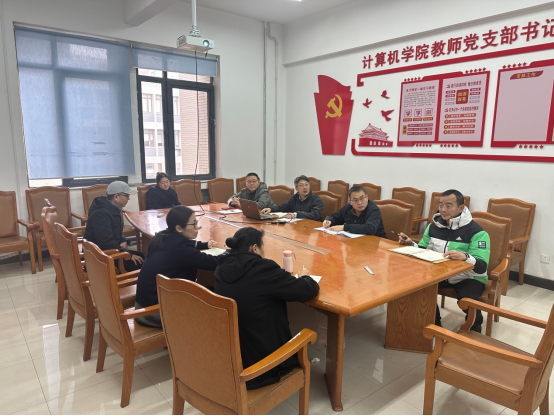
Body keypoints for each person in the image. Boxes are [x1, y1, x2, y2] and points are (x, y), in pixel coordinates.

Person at [214, 227, 320, 390]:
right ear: (254, 248)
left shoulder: (221, 266)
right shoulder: (262, 269)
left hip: (232, 354)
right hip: (260, 366)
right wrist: (305, 276)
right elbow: (308, 290)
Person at [398, 189, 490, 333]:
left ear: (461, 207)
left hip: (469, 277)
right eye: (440, 205)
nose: (443, 209)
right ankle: (434, 325)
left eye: (448, 205)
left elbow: (481, 266)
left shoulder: (477, 232)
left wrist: (465, 257)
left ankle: (474, 328)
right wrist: (411, 244)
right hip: (440, 272)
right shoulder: (433, 227)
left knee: (467, 300)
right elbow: (423, 250)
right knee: (417, 287)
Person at [135, 206, 219, 328]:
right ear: (179, 228)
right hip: (155, 312)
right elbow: (213, 263)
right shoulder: (181, 249)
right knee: (217, 299)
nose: (197, 227)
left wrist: (203, 244)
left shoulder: (164, 236)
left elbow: (188, 244)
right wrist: (233, 254)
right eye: (193, 224)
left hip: (143, 305)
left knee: (207, 291)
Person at [84, 181, 145, 272]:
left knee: (141, 256)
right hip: (100, 256)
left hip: (108, 251)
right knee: (140, 262)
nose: (128, 199)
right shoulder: (101, 214)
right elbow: (106, 242)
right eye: (126, 196)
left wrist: (123, 240)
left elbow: (114, 231)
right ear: (116, 197)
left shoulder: (111, 208)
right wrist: (126, 253)